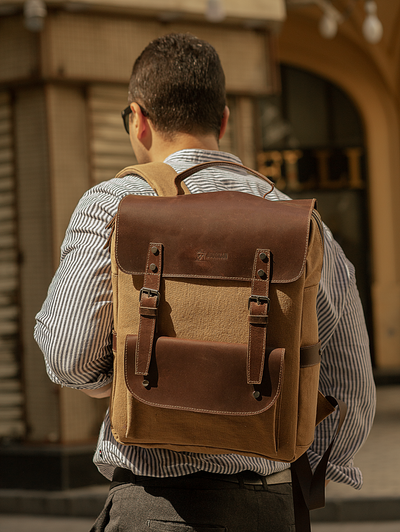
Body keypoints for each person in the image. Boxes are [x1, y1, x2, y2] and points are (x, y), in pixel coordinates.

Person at [34, 33, 376, 532]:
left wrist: (123, 385)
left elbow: (69, 355)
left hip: (154, 508)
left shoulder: (114, 206)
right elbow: (352, 395)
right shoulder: (300, 222)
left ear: (138, 119)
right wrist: (276, 445)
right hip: (270, 511)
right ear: (224, 119)